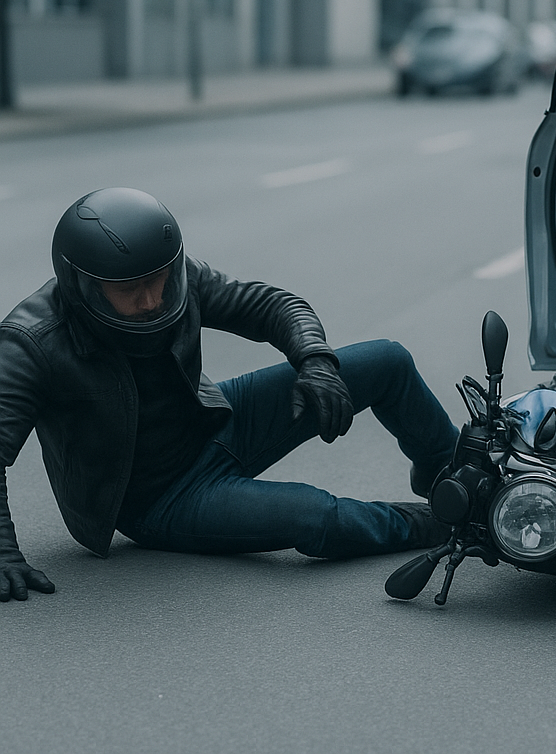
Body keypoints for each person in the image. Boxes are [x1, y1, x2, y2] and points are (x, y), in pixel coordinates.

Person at [0, 187, 458, 602]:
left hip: (213, 419)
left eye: (157, 280)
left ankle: (456, 476)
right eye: (129, 289)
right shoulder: (30, 342)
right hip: (158, 498)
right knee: (315, 517)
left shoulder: (179, 278)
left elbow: (272, 305)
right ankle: (443, 522)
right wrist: (2, 551)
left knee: (387, 361)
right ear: (83, 285)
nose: (151, 300)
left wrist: (314, 360)